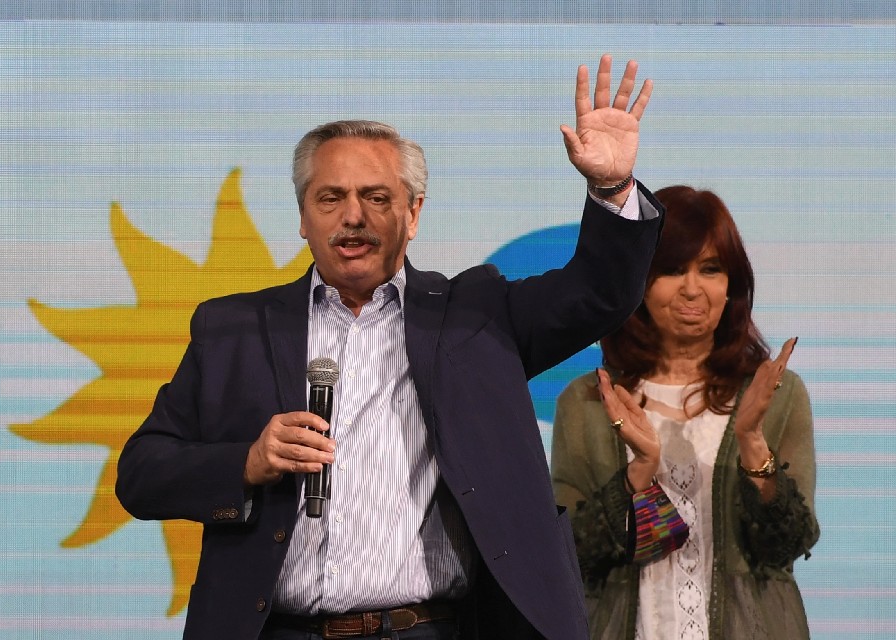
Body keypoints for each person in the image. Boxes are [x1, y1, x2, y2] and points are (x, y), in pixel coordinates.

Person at [116, 54, 664, 640]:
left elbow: (601, 294)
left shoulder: (477, 316)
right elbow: (141, 473)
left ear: (414, 212)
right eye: (330, 198)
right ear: (303, 217)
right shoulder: (233, 329)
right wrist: (247, 463)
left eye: (376, 197)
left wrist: (611, 188)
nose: (352, 217)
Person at [551, 185, 820, 639]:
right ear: (639, 281)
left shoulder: (778, 394)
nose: (692, 289)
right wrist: (638, 474)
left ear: (731, 285)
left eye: (710, 269)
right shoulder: (588, 402)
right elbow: (572, 555)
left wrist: (752, 443)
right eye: (672, 269)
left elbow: (785, 548)